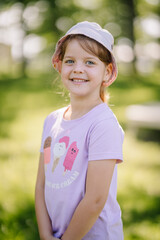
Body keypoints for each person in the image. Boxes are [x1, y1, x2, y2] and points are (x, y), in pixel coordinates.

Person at [35, 21, 124, 240]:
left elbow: (95, 200)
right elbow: (41, 186)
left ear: (107, 72)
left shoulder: (103, 125)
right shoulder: (51, 121)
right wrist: (46, 235)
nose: (78, 69)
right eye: (70, 61)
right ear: (59, 65)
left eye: (90, 62)